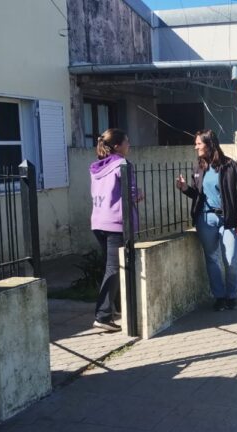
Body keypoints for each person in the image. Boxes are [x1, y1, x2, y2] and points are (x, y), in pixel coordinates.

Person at [176, 129, 237, 311]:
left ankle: (232, 295)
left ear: (210, 144)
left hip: (228, 220)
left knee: (230, 260)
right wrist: (184, 188)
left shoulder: (230, 166)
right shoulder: (199, 167)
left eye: (199, 144)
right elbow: (197, 195)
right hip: (205, 219)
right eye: (196, 144)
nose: (196, 147)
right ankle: (220, 297)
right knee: (212, 259)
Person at [89, 128, 140, 332]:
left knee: (112, 266)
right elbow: (131, 193)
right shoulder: (122, 164)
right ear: (117, 145)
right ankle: (102, 315)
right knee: (114, 268)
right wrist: (139, 195)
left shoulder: (95, 167)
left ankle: (116, 307)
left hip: (98, 221)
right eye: (127, 141)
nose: (129, 145)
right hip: (116, 223)